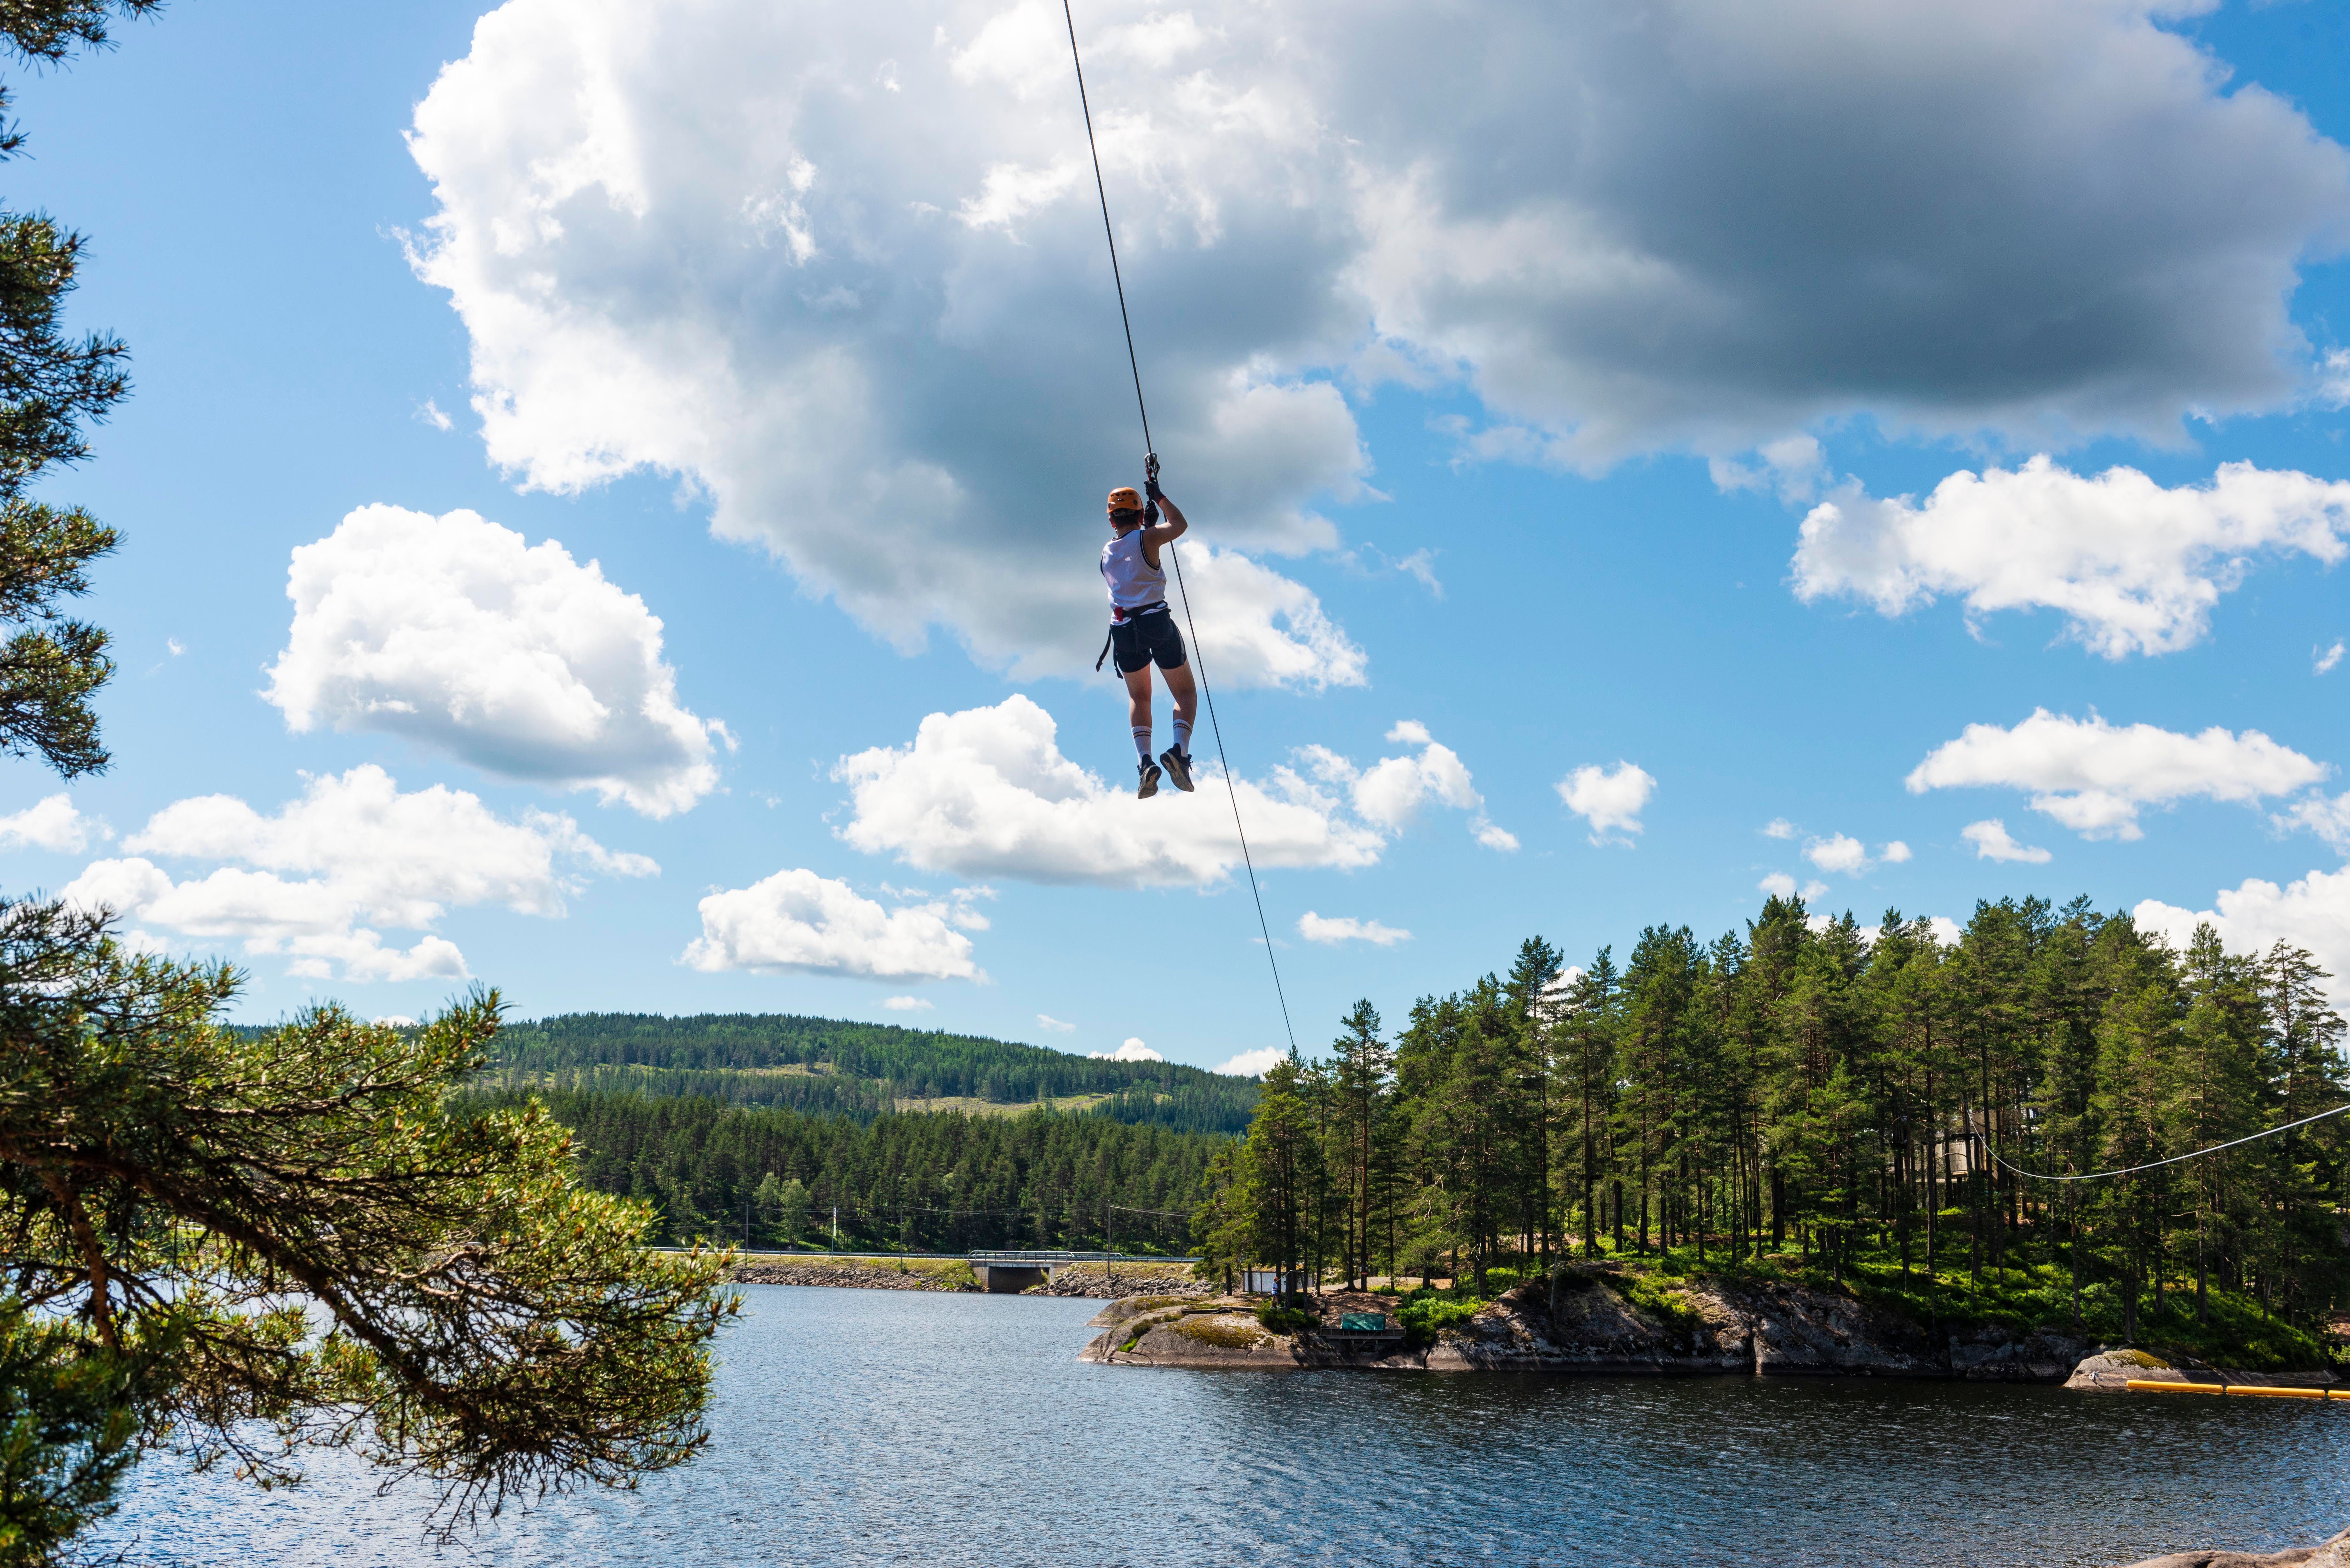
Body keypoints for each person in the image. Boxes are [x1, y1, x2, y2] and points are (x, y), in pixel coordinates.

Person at [1098, 476, 1196, 798]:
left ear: (1112, 519)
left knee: (1140, 698)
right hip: (1155, 622)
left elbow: (1133, 557)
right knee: (1184, 693)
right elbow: (1179, 525)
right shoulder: (1149, 538)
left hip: (1124, 631)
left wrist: (1146, 529)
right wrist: (1161, 497)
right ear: (1140, 515)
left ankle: (1145, 763)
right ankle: (1179, 753)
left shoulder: (1106, 551)